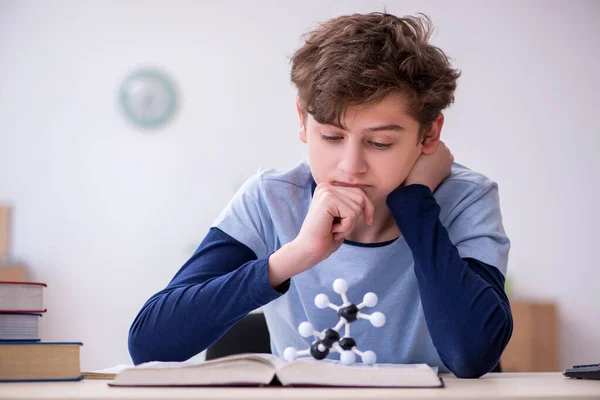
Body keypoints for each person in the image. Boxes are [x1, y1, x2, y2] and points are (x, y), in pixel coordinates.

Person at [128, 12, 513, 379]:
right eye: (331, 137)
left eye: (379, 143)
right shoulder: (271, 199)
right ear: (302, 120)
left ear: (428, 134)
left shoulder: (466, 199)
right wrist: (295, 256)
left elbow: (470, 354)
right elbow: (149, 344)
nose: (350, 165)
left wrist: (415, 202)